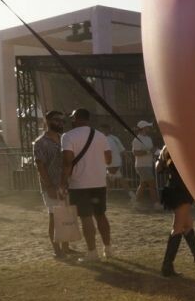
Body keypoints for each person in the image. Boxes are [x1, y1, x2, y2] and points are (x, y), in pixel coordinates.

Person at [60, 108, 113, 262]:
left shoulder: (68, 136)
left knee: (86, 217)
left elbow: (67, 161)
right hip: (99, 181)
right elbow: (109, 159)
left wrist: (63, 182)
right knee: (101, 214)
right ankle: (108, 248)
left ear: (75, 118)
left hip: (79, 182)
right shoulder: (101, 135)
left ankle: (92, 252)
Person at [155, 144, 195, 276]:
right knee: (178, 227)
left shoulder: (167, 147)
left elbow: (158, 168)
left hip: (175, 188)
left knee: (188, 224)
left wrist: (161, 157)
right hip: (181, 190)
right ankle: (167, 266)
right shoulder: (179, 147)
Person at [33, 110, 71, 257]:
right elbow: (40, 166)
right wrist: (49, 186)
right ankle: (57, 249)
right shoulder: (40, 142)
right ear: (47, 121)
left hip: (65, 184)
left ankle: (66, 247)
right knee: (54, 217)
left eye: (62, 120)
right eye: (57, 120)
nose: (60, 123)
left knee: (66, 215)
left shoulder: (64, 139)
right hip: (51, 185)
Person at [130, 120, 158, 208]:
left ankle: (135, 202)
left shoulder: (149, 138)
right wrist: (149, 151)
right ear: (143, 128)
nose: (149, 128)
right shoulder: (136, 139)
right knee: (152, 184)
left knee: (143, 185)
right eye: (147, 126)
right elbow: (135, 153)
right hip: (142, 166)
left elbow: (151, 150)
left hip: (148, 165)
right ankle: (156, 204)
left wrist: (155, 152)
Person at [101, 123, 127, 191]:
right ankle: (131, 195)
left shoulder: (115, 138)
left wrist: (127, 157)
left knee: (109, 180)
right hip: (107, 164)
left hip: (115, 163)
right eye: (104, 129)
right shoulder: (100, 139)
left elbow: (122, 149)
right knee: (117, 179)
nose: (106, 131)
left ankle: (131, 194)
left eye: (107, 129)